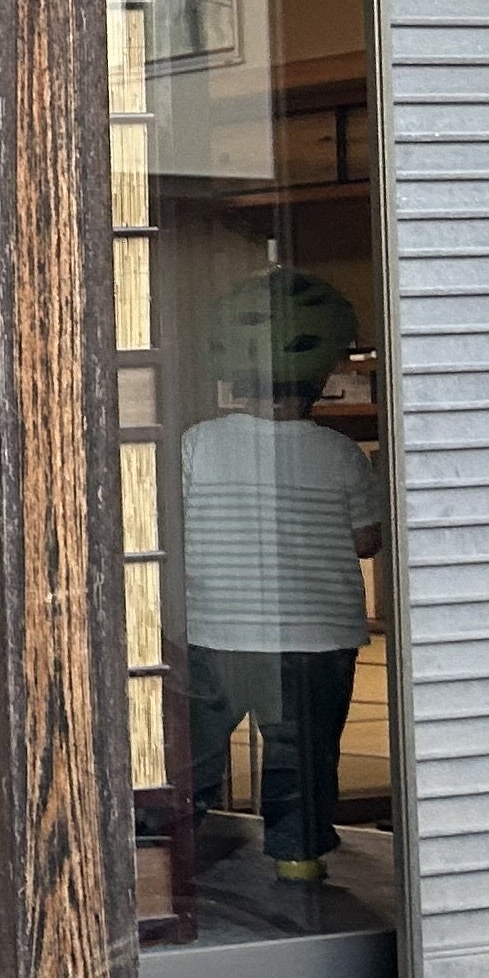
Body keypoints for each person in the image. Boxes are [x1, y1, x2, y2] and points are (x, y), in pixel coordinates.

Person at [180, 272, 385, 890]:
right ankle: (297, 858)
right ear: (322, 376)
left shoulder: (197, 444)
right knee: (303, 754)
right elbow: (366, 541)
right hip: (316, 637)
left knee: (195, 751)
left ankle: (169, 852)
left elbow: (169, 523)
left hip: (216, 630)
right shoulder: (341, 454)